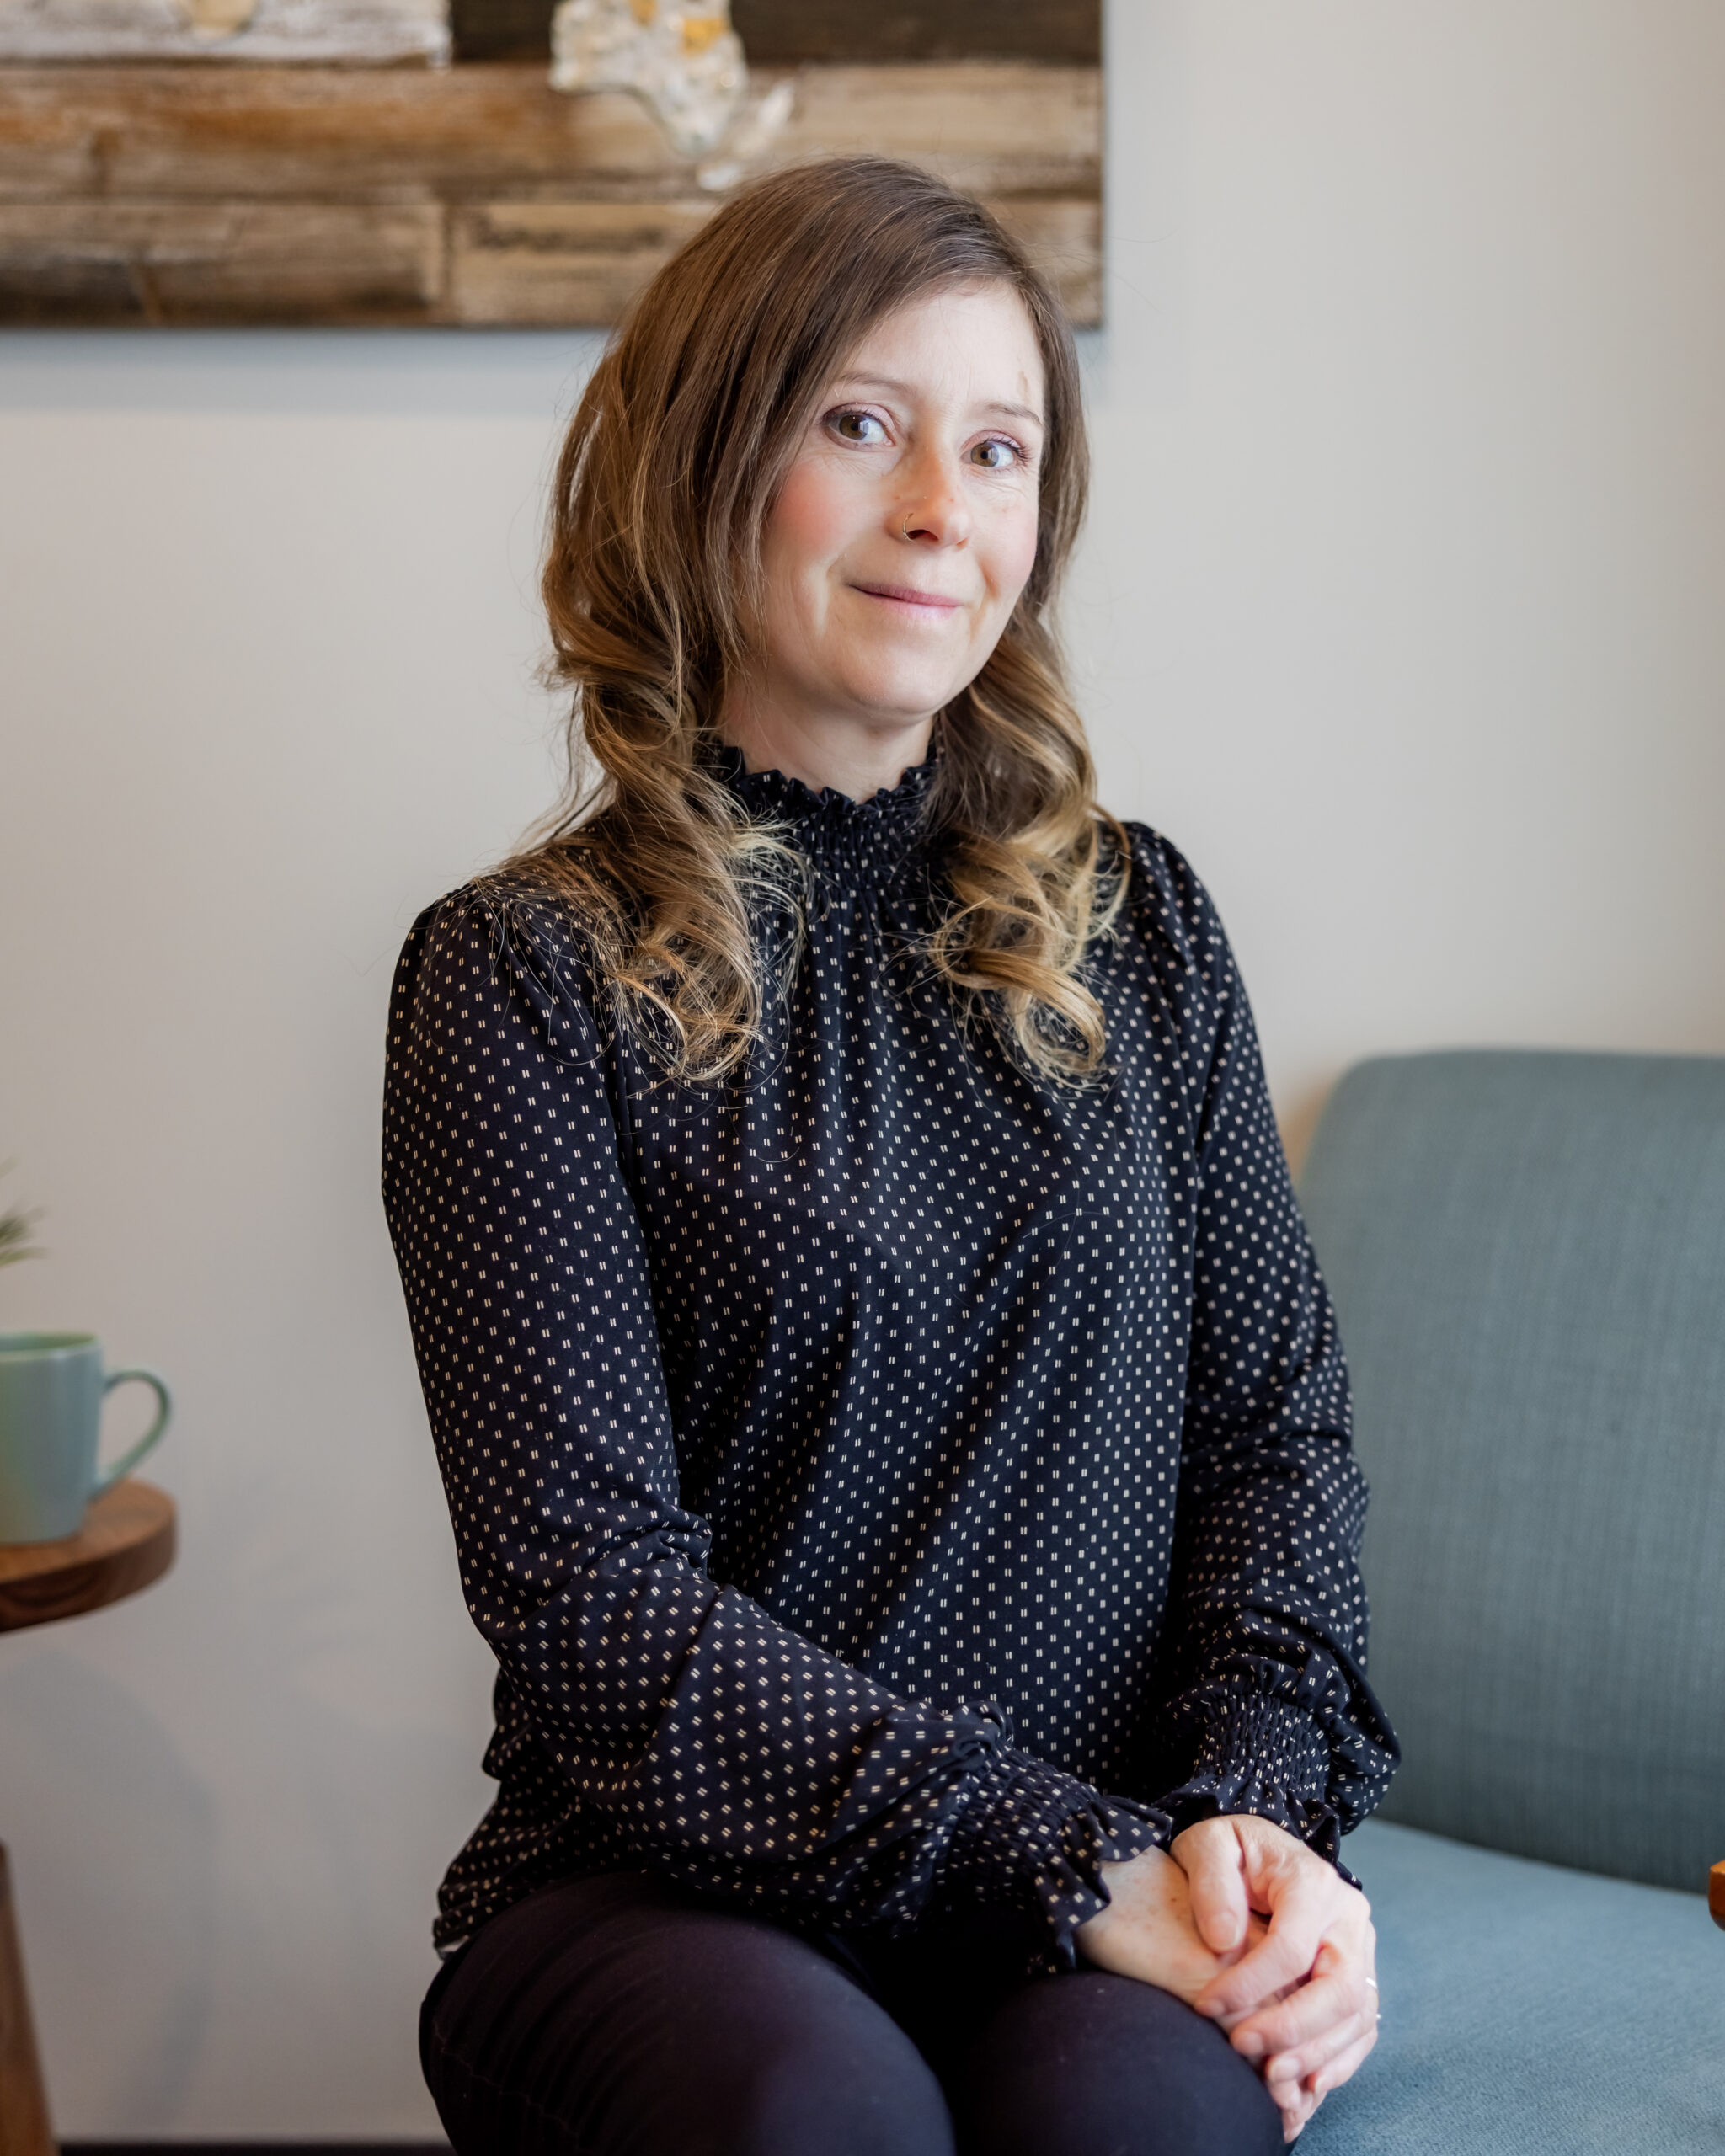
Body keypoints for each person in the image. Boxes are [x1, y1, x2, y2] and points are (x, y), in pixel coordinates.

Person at [383, 153, 1398, 2156]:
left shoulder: (1144, 929)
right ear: (706, 456)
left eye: (1001, 448)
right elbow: (591, 1601)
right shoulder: (521, 974)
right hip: (671, 1892)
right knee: (812, 2111)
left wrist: (1253, 1836)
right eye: (864, 425)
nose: (949, 507)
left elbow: (1277, 1449)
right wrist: (1069, 1859)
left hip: (1110, 1885)